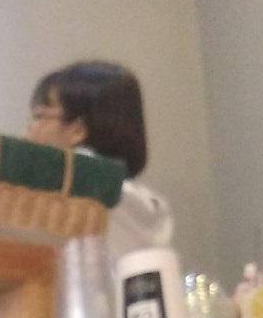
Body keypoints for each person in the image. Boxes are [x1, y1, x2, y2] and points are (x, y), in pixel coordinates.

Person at [27, 61, 172, 262]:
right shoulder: (145, 204)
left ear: (77, 130)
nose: (29, 131)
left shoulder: (79, 189)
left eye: (38, 117)